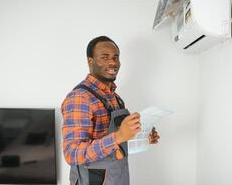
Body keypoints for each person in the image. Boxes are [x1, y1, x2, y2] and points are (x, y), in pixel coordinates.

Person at [61, 36, 160, 185]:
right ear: (90, 61)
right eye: (104, 57)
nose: (112, 62)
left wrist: (140, 137)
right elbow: (72, 154)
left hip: (118, 178)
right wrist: (119, 136)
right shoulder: (80, 98)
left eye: (116, 57)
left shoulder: (115, 98)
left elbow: (115, 144)